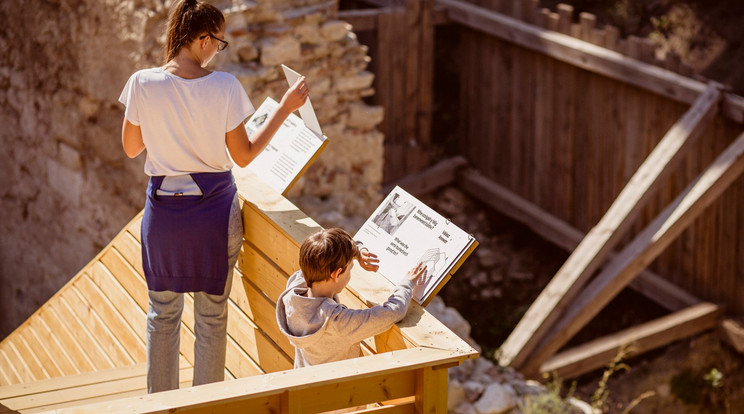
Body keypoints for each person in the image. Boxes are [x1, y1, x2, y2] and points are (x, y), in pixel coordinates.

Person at [118, 0, 309, 393]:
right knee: (212, 316)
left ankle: (161, 405)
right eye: (218, 42)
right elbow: (244, 154)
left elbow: (132, 147)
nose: (217, 51)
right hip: (214, 215)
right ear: (203, 38)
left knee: (162, 315)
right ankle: (208, 406)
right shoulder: (224, 86)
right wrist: (287, 107)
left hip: (164, 216)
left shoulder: (142, 82)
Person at [276, 228, 426, 368]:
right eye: (350, 269)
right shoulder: (338, 322)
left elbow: (318, 257)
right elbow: (394, 312)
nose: (350, 272)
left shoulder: (293, 291)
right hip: (340, 392)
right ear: (336, 274)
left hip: (304, 386)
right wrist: (407, 283)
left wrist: (357, 252)